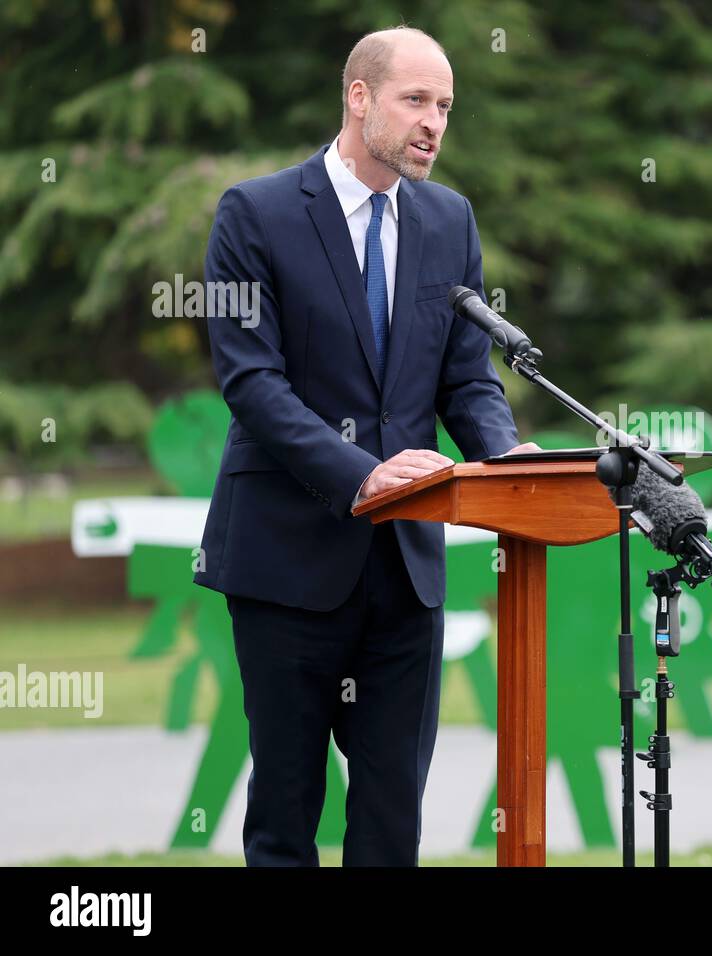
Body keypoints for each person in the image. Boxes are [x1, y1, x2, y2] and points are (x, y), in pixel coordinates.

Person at [195, 25, 538, 865]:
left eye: (446, 106)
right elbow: (251, 382)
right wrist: (365, 475)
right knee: (285, 814)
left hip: (405, 575)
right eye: (415, 100)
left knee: (392, 824)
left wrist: (509, 459)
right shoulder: (255, 212)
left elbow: (466, 380)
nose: (434, 123)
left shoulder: (450, 219)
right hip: (286, 564)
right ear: (359, 97)